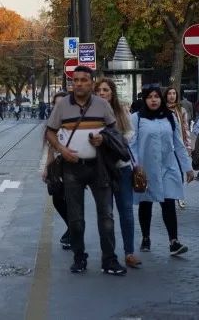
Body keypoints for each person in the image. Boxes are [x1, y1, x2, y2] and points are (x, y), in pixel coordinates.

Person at [46, 66, 126, 275]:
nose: (79, 83)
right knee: (76, 218)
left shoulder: (102, 105)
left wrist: (103, 138)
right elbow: (50, 132)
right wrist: (62, 150)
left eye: (83, 80)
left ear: (91, 83)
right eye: (75, 80)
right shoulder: (62, 105)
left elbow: (113, 131)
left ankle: (109, 259)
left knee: (106, 216)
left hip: (99, 167)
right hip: (72, 168)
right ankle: (79, 257)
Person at [130, 84, 194, 256]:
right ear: (145, 99)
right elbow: (132, 145)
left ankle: (174, 241)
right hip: (145, 168)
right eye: (150, 97)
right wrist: (136, 166)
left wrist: (187, 168)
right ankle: (145, 237)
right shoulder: (137, 118)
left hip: (167, 166)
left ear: (161, 99)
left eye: (156, 97)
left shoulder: (169, 117)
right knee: (146, 203)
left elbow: (178, 143)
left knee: (169, 202)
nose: (153, 100)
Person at [95, 78, 141, 269]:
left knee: (127, 212)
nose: (102, 93)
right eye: (98, 90)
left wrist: (110, 140)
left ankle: (129, 252)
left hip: (122, 168)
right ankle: (109, 255)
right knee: (106, 215)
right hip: (101, 169)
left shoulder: (121, 111)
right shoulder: (91, 113)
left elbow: (131, 135)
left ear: (112, 93)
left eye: (105, 90)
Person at [41, 91, 70, 249]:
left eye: (62, 103)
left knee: (71, 200)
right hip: (57, 168)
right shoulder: (52, 124)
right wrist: (47, 168)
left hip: (72, 166)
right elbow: (51, 149)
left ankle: (73, 232)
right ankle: (72, 228)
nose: (58, 107)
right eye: (56, 104)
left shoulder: (74, 122)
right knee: (57, 199)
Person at [165, 87, 192, 209]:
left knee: (180, 171)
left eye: (174, 93)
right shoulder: (162, 110)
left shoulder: (181, 110)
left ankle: (180, 196)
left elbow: (186, 129)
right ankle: (170, 195)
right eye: (169, 93)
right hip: (166, 146)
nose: (172, 96)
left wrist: (188, 145)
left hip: (179, 144)